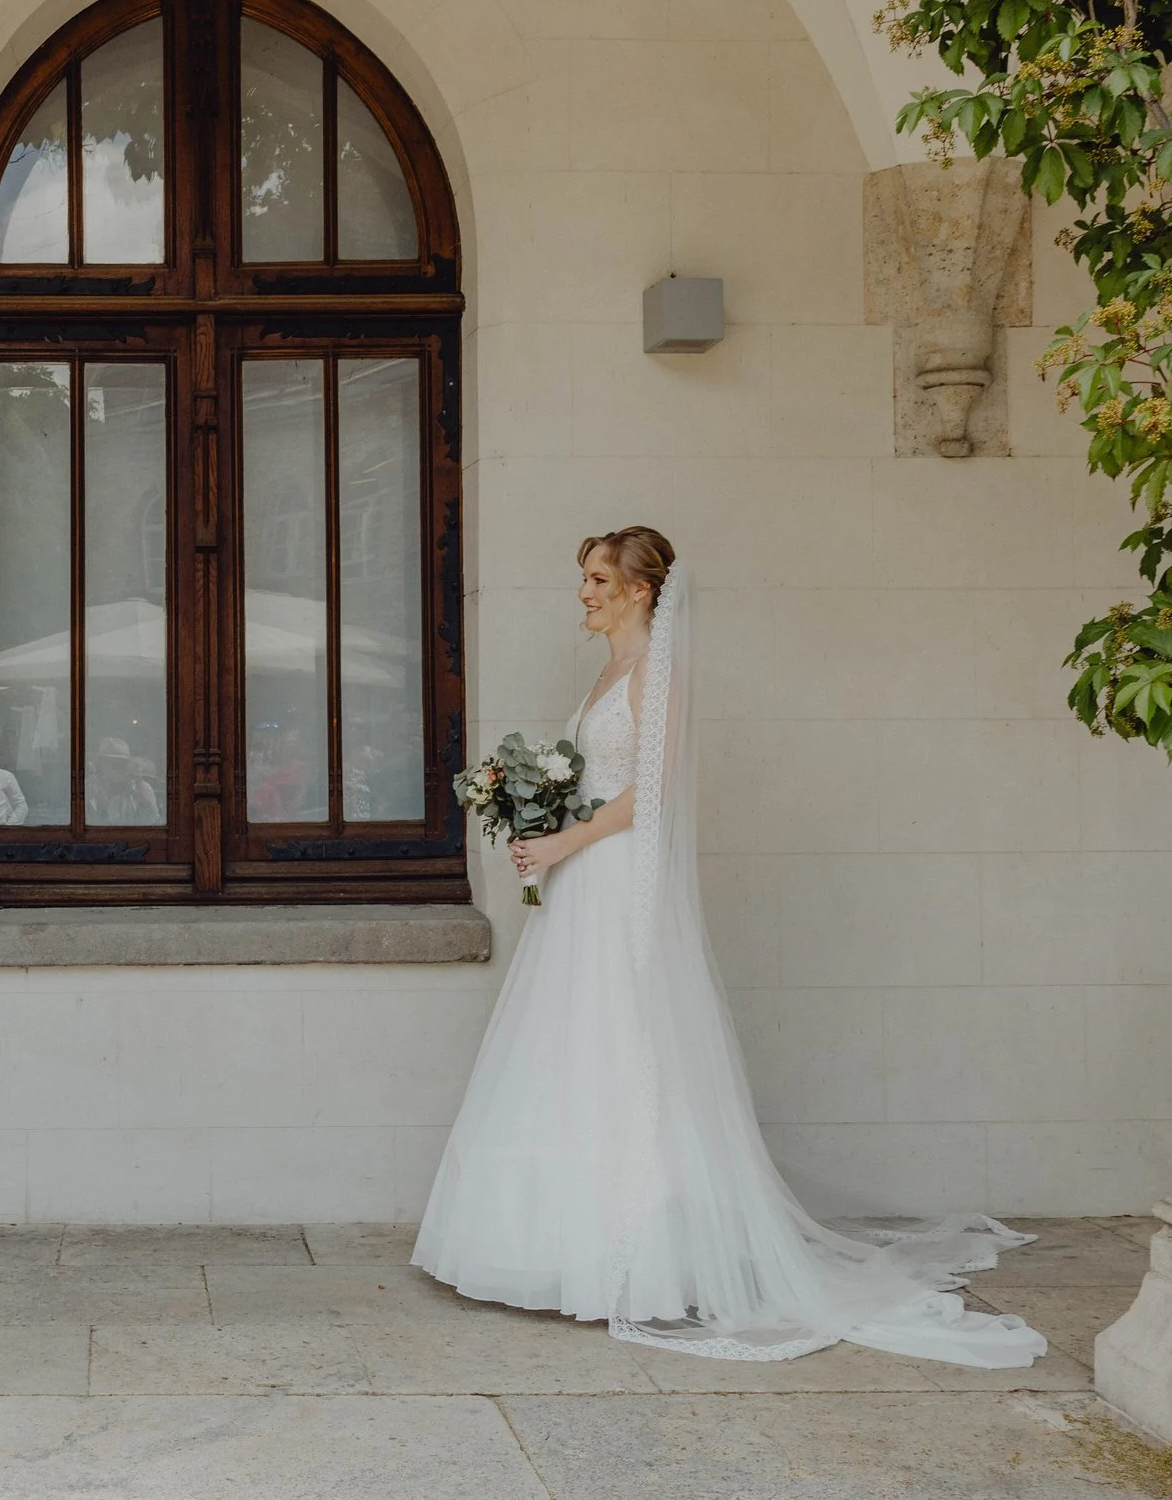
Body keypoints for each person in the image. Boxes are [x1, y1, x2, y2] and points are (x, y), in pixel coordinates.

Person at [411, 527, 1047, 1368]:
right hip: (581, 885)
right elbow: (599, 782)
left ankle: (641, 1261)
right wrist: (540, 825)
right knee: (575, 1051)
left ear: (642, 590)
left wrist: (563, 843)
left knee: (628, 1045)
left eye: (599, 579)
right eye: (586, 579)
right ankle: (554, 1248)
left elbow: (653, 793)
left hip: (613, 882)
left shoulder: (653, 675)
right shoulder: (607, 671)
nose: (585, 592)